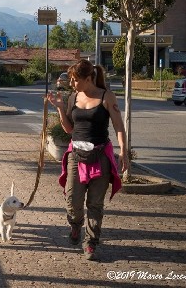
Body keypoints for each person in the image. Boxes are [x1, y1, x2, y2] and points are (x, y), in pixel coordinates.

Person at [47, 59, 128, 261]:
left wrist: (124, 152)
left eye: (75, 80)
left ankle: (91, 242)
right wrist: (58, 107)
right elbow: (68, 129)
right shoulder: (73, 97)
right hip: (76, 155)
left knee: (95, 203)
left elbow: (119, 126)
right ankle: (75, 225)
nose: (72, 84)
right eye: (71, 80)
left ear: (88, 78)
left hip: (100, 156)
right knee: (73, 201)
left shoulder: (106, 96)